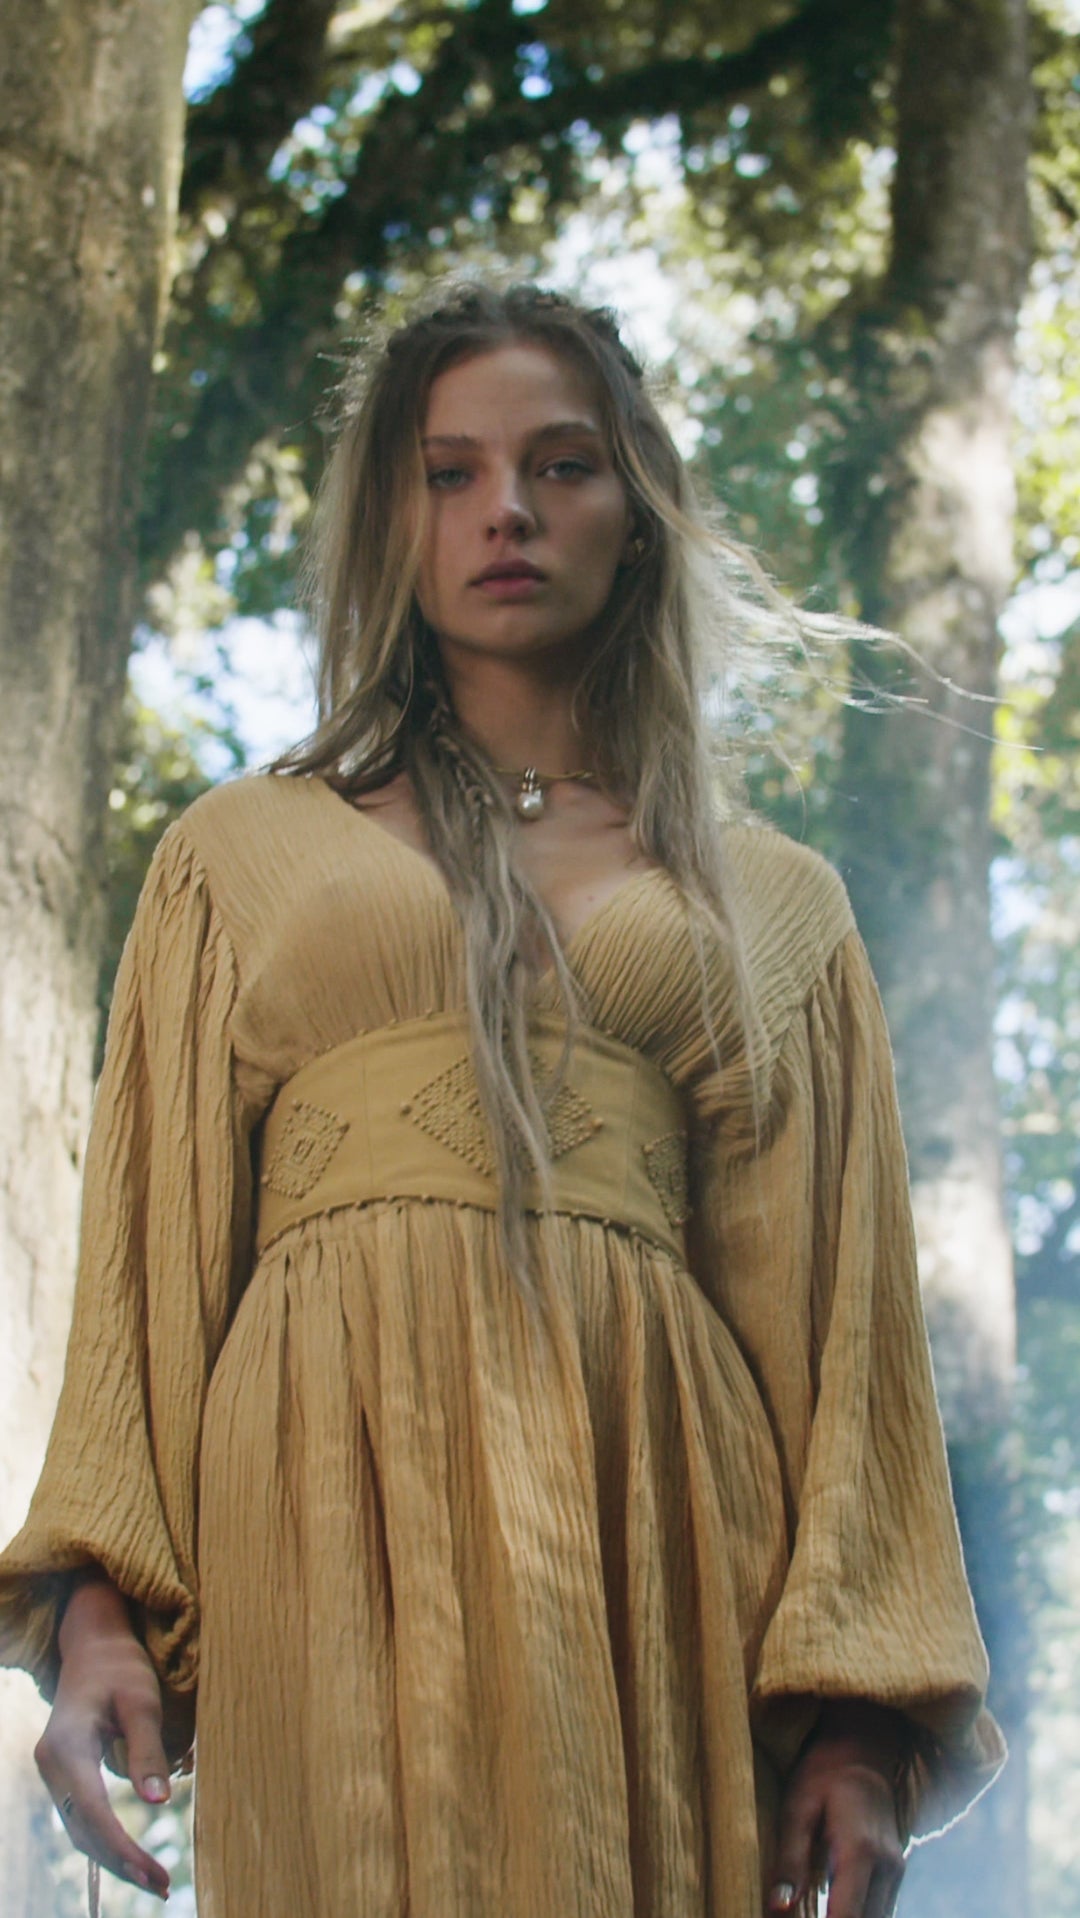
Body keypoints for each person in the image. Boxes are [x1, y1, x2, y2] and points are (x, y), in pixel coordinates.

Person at [0, 282, 1004, 1918]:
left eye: (561, 465)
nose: (507, 511)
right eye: (447, 472)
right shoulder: (235, 856)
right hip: (316, 1503)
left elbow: (842, 1349)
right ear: (388, 521)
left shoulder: (775, 906)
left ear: (641, 517)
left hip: (659, 1529)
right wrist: (101, 1610)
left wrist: (858, 1727)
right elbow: (141, 1280)